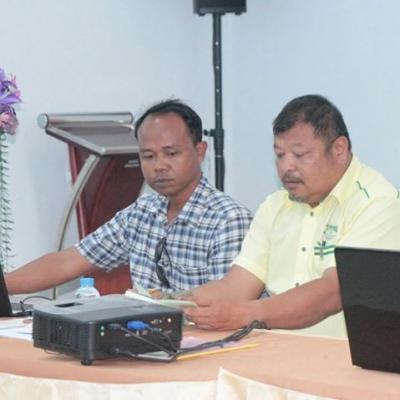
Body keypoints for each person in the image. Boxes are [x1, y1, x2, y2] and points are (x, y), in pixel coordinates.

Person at [185, 94, 400, 338]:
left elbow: (333, 292)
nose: (286, 167)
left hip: (346, 356)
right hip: (278, 349)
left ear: (339, 149)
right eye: (280, 155)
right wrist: (177, 304)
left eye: (300, 154)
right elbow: (237, 286)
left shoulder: (378, 202)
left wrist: (247, 313)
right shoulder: (276, 205)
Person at [5, 100, 252, 295]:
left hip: (206, 342)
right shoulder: (141, 213)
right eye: (148, 156)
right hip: (145, 339)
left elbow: (225, 305)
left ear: (200, 151)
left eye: (171, 153)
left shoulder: (228, 220)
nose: (159, 166)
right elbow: (69, 261)